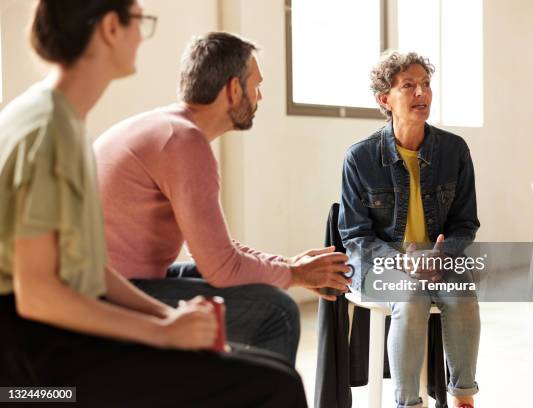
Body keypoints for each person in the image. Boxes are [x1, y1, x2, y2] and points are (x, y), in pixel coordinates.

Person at [0, 1, 307, 406]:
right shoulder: (49, 130)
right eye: (139, 21)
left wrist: (169, 318)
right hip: (33, 368)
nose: (143, 35)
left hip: (52, 335)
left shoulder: (57, 118)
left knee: (275, 375)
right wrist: (162, 333)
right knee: (276, 385)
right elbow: (38, 294)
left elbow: (91, 266)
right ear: (111, 28)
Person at [93, 32, 351, 364]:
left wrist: (287, 266)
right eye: (255, 85)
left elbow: (217, 252)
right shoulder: (184, 144)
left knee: (247, 287)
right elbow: (223, 269)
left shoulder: (165, 128)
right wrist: (296, 275)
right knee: (279, 312)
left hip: (116, 283)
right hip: (114, 295)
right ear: (232, 90)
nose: (259, 96)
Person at [338, 51, 481, 408]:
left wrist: (441, 255)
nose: (422, 94)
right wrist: (403, 263)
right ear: (384, 99)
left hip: (438, 261)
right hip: (381, 264)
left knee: (462, 293)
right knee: (411, 296)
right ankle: (408, 404)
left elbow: (466, 223)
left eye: (426, 84)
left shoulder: (455, 150)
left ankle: (464, 398)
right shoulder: (360, 157)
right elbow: (355, 236)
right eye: (409, 86)